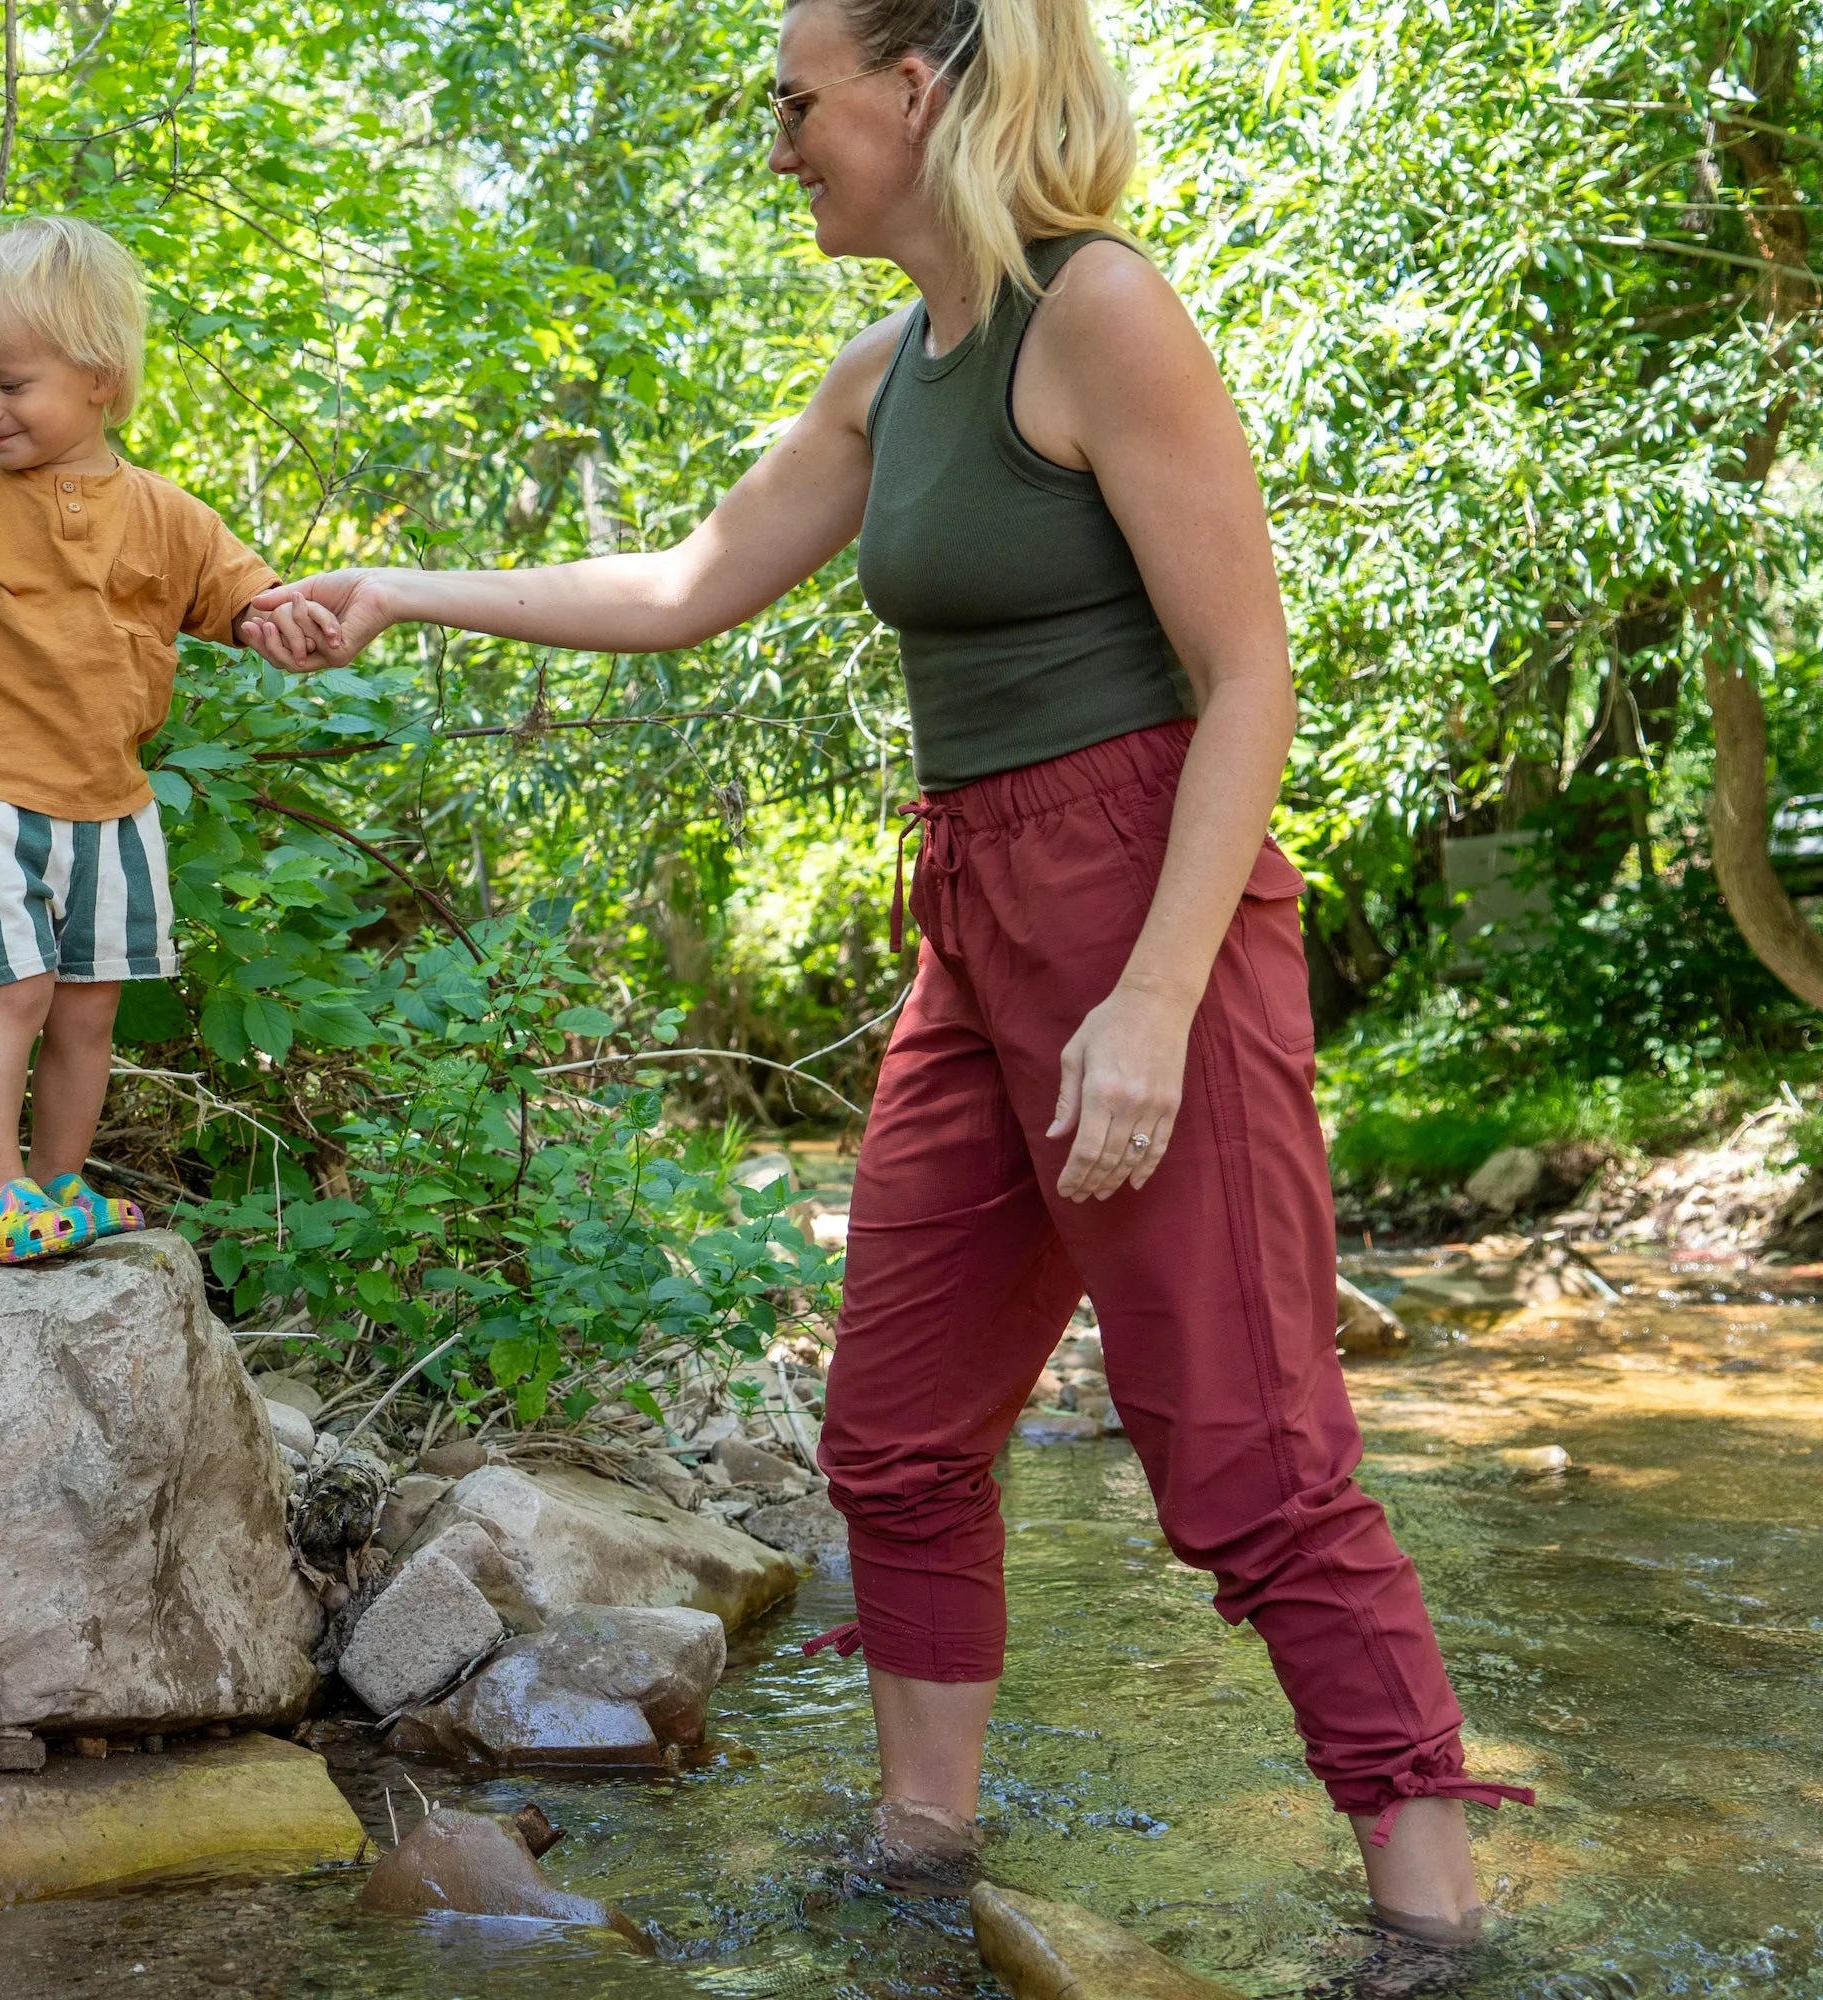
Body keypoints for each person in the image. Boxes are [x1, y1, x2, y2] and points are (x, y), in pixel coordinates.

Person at [238, 0, 1527, 1947]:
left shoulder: (1099, 312)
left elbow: (1250, 676)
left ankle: (1438, 1931)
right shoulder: (886, 374)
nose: (778, 148)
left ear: (916, 94)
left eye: (794, 105)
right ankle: (921, 1868)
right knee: (899, 1436)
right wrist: (397, 590)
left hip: (1144, 904)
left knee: (1253, 1461)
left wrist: (1157, 999)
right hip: (978, 919)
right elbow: (683, 587)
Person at [0, 216, 336, 1265]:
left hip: (112, 805)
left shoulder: (167, 516)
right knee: (10, 993)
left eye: (10, 384)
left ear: (100, 376)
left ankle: (58, 1183)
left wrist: (287, 624)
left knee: (88, 1008)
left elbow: (245, 598)